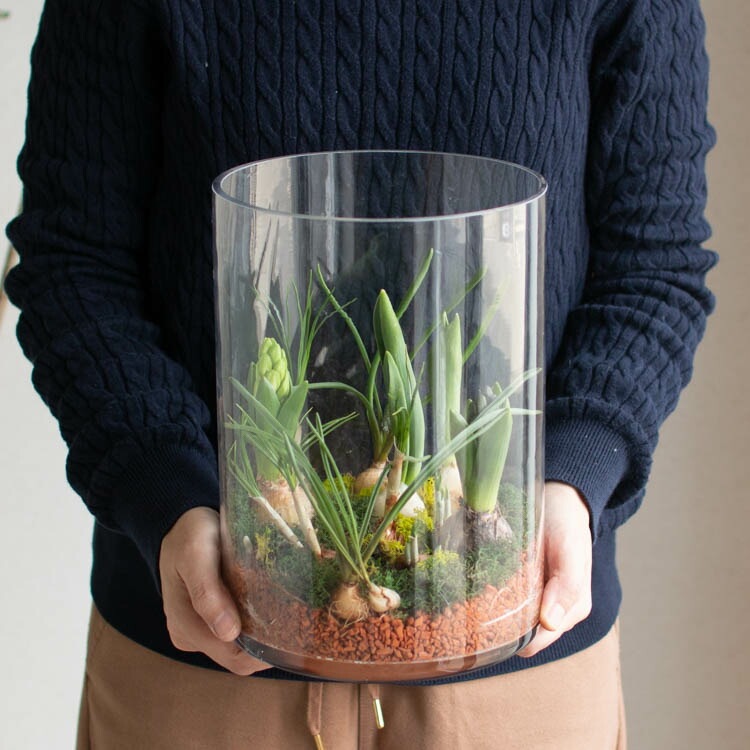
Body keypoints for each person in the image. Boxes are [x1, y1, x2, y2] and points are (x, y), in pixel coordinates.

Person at [5, 1, 716, 748]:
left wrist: (574, 477)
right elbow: (72, 259)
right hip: (204, 642)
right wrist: (165, 493)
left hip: (511, 650)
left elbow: (654, 264)